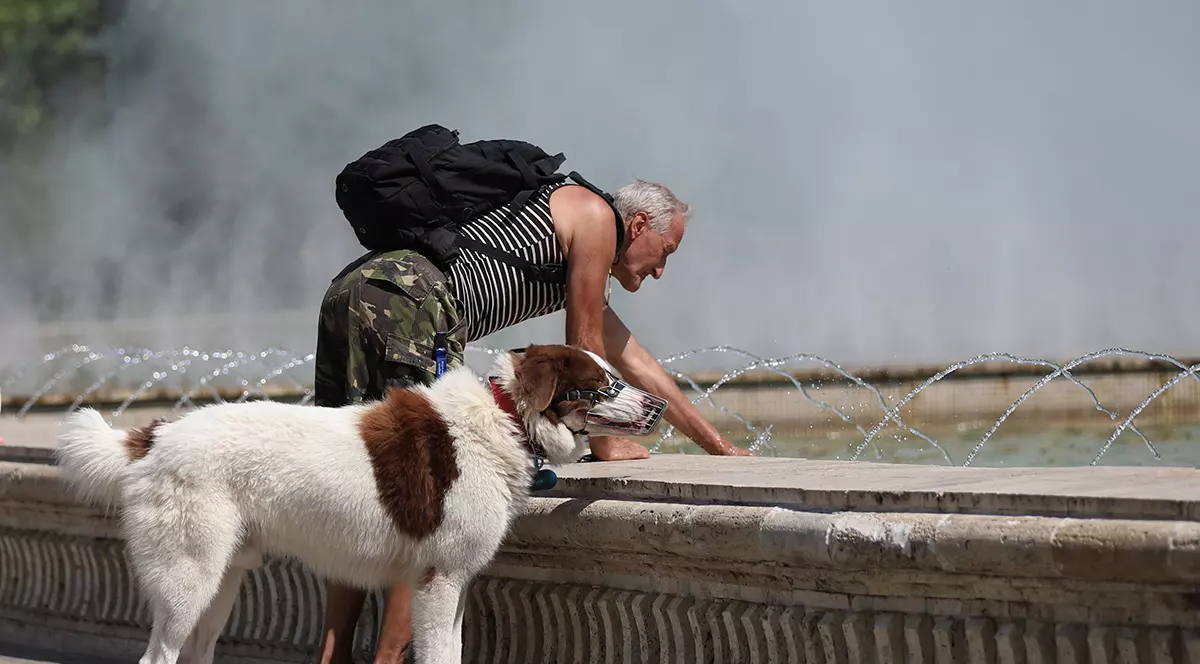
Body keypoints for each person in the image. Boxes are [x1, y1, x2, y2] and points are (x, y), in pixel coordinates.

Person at [311, 176, 752, 663]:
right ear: (640, 223)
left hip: (357, 290)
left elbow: (635, 361)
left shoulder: (576, 237)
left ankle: (333, 655)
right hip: (415, 301)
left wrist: (717, 444)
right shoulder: (598, 220)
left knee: (365, 480)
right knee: (428, 501)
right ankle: (389, 659)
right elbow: (586, 347)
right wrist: (603, 441)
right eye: (665, 251)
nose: (661, 270)